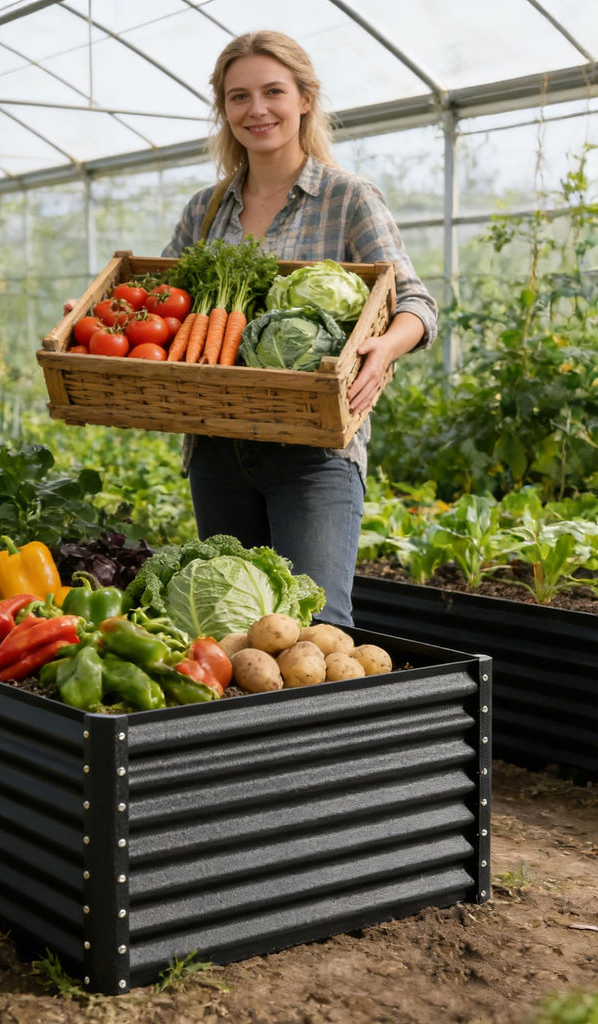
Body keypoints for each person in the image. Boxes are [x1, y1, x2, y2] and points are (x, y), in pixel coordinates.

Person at [162, 30, 438, 626]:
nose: (256, 110)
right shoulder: (204, 210)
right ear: (224, 109)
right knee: (228, 627)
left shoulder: (348, 198)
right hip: (216, 445)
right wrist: (95, 319)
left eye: (273, 92)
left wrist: (383, 347)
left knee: (316, 628)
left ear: (305, 99)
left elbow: (416, 302)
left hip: (315, 449)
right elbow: (168, 307)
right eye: (239, 97)